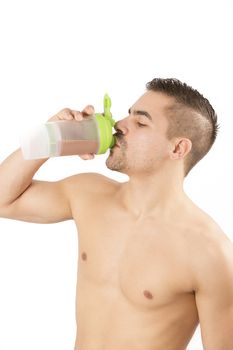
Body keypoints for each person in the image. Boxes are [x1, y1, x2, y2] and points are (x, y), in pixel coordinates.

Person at [0, 78, 233, 350]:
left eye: (141, 123)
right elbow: (4, 200)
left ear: (178, 148)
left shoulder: (210, 253)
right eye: (128, 114)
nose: (120, 125)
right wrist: (52, 136)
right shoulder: (88, 194)